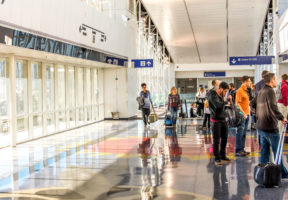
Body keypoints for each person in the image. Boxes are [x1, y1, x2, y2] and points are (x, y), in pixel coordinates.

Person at [251, 73, 288, 179]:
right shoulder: (271, 91)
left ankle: (264, 174)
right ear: (272, 81)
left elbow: (251, 104)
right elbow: (273, 106)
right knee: (277, 152)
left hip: (261, 126)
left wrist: (258, 114)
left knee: (265, 152)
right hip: (270, 126)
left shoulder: (261, 91)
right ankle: (283, 174)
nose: (277, 82)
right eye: (276, 79)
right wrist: (281, 117)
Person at [208, 82, 232, 166]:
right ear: (221, 89)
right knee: (216, 140)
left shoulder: (222, 96)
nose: (226, 93)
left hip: (223, 119)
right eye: (225, 91)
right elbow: (217, 105)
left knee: (225, 138)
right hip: (215, 121)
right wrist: (226, 102)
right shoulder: (212, 94)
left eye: (226, 92)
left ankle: (222, 155)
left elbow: (223, 106)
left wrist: (227, 100)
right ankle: (217, 158)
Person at [235, 76, 252, 157]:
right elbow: (237, 104)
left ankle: (242, 149)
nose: (250, 82)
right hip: (242, 115)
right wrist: (244, 113)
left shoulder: (246, 91)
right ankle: (238, 150)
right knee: (240, 132)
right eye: (249, 81)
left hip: (247, 114)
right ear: (245, 82)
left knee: (244, 133)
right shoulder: (240, 91)